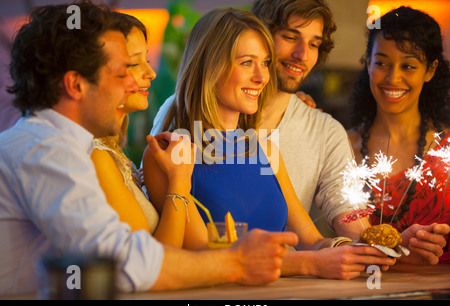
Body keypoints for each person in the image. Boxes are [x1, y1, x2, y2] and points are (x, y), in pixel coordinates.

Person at [0, 0, 298, 295]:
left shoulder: (67, 147)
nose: (137, 81)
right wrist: (237, 263)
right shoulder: (46, 150)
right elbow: (122, 261)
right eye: (121, 71)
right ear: (76, 85)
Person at [144, 7, 396, 280]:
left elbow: (310, 240)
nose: (261, 77)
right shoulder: (171, 152)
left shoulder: (265, 148)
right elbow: (203, 252)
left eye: (264, 62)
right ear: (210, 66)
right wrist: (309, 264)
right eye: (246, 62)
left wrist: (347, 250)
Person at [91, 12, 207, 249]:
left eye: (148, 61)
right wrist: (179, 181)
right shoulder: (96, 155)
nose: (151, 73)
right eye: (134, 63)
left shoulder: (115, 156)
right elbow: (156, 262)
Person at [347, 6, 450, 264]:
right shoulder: (342, 146)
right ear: (368, 62)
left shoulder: (446, 150)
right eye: (382, 63)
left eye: (408, 66)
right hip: (360, 289)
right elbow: (329, 239)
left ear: (430, 69)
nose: (393, 78)